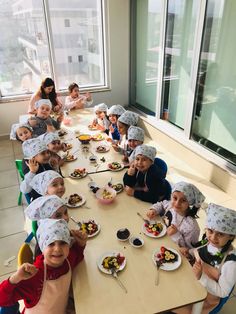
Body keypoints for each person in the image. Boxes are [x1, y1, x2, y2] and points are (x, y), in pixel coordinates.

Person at [0, 219, 87, 313]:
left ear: (69, 244)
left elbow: (77, 256)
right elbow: (2, 300)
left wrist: (81, 244)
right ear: (42, 246)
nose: (57, 249)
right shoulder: (34, 276)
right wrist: (14, 279)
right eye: (50, 243)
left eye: (63, 242)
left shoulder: (68, 259)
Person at [172, 203, 236, 314]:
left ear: (231, 236)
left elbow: (223, 292)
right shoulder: (207, 241)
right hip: (190, 281)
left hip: (204, 297)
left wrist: (201, 277)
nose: (213, 237)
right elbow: (198, 251)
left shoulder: (230, 263)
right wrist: (188, 253)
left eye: (220, 234)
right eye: (210, 231)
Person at [146, 181, 205, 249]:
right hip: (156, 238)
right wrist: (154, 210)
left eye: (183, 200)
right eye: (175, 198)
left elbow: (188, 250)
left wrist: (176, 234)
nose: (177, 203)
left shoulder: (192, 228)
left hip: (169, 249)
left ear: (190, 203)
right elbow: (162, 205)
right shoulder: (170, 205)